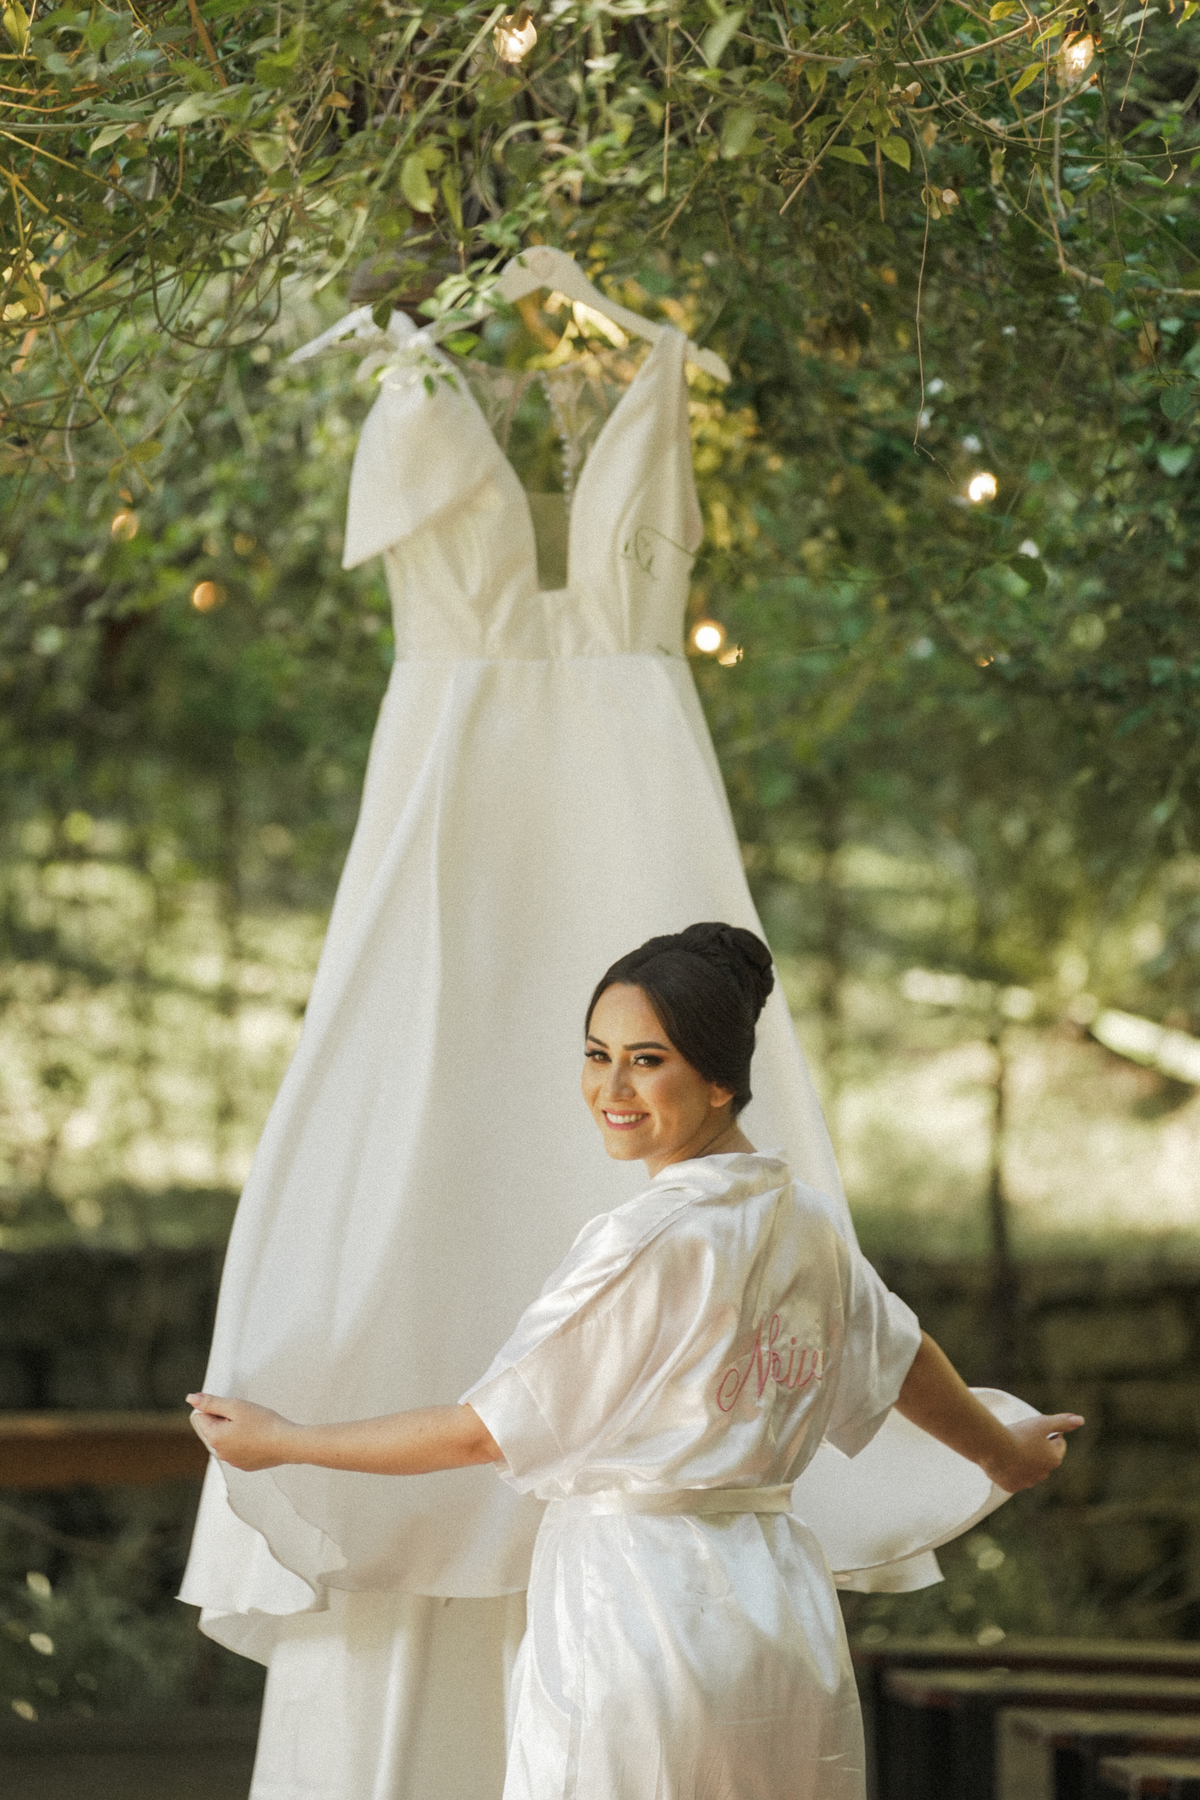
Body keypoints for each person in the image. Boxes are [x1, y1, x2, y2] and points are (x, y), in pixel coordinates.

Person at [189, 923, 1082, 1800]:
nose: (610, 1087)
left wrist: (285, 1442)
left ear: (721, 1080)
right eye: (596, 1054)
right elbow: (902, 1354)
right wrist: (1001, 1453)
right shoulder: (805, 1222)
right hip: (780, 1614)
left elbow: (484, 1433)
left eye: (647, 1060)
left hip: (640, 1611)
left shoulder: (649, 1240)